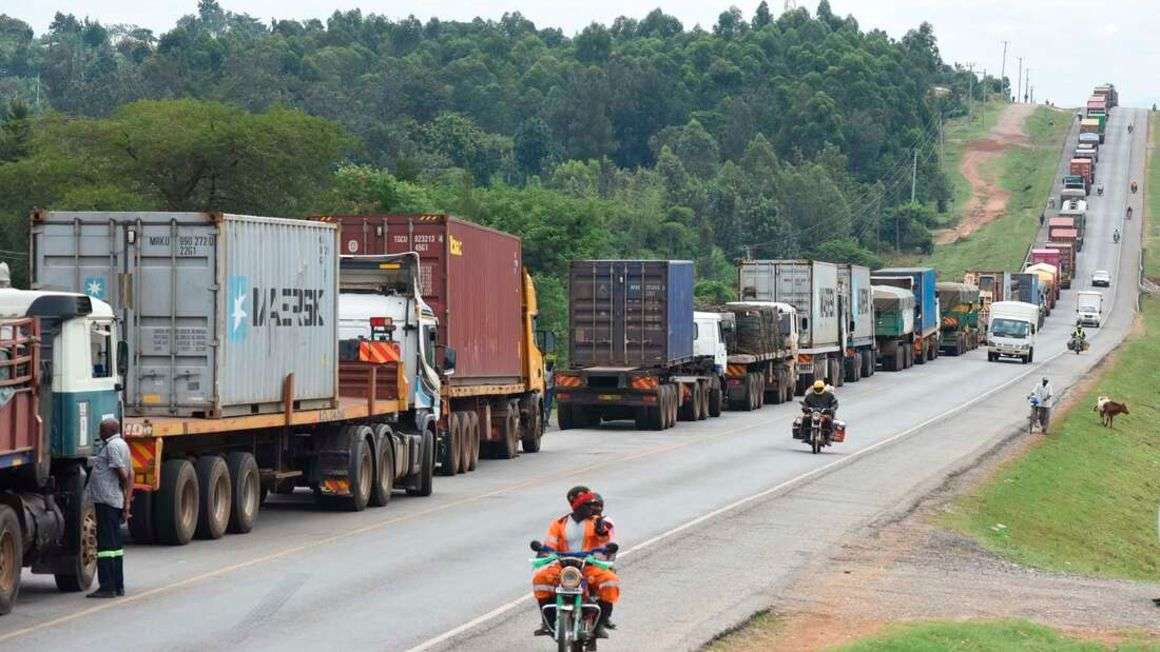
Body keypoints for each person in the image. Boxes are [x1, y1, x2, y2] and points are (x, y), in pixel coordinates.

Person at [532, 486, 620, 638]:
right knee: (540, 578)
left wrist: (602, 532)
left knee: (610, 580)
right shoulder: (558, 524)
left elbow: (605, 542)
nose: (593, 508)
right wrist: (542, 552)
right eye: (589, 505)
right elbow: (549, 545)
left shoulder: (597, 522)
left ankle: (600, 624)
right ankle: (548, 621)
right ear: (578, 506)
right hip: (563, 565)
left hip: (589, 565)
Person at [86, 418, 132, 598]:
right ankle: (118, 585)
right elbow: (130, 474)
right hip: (114, 500)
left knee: (105, 546)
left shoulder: (112, 446)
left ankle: (107, 586)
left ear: (109, 431)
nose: (99, 433)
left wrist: (125, 499)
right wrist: (126, 503)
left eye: (101, 430)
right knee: (115, 545)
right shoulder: (123, 444)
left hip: (107, 501)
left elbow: (123, 474)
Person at [543, 360, 555, 427]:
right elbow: (546, 380)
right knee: (545, 406)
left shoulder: (552, 370)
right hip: (544, 389)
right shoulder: (544, 369)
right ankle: (544, 420)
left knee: (548, 406)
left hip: (549, 389)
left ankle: (546, 421)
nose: (550, 366)